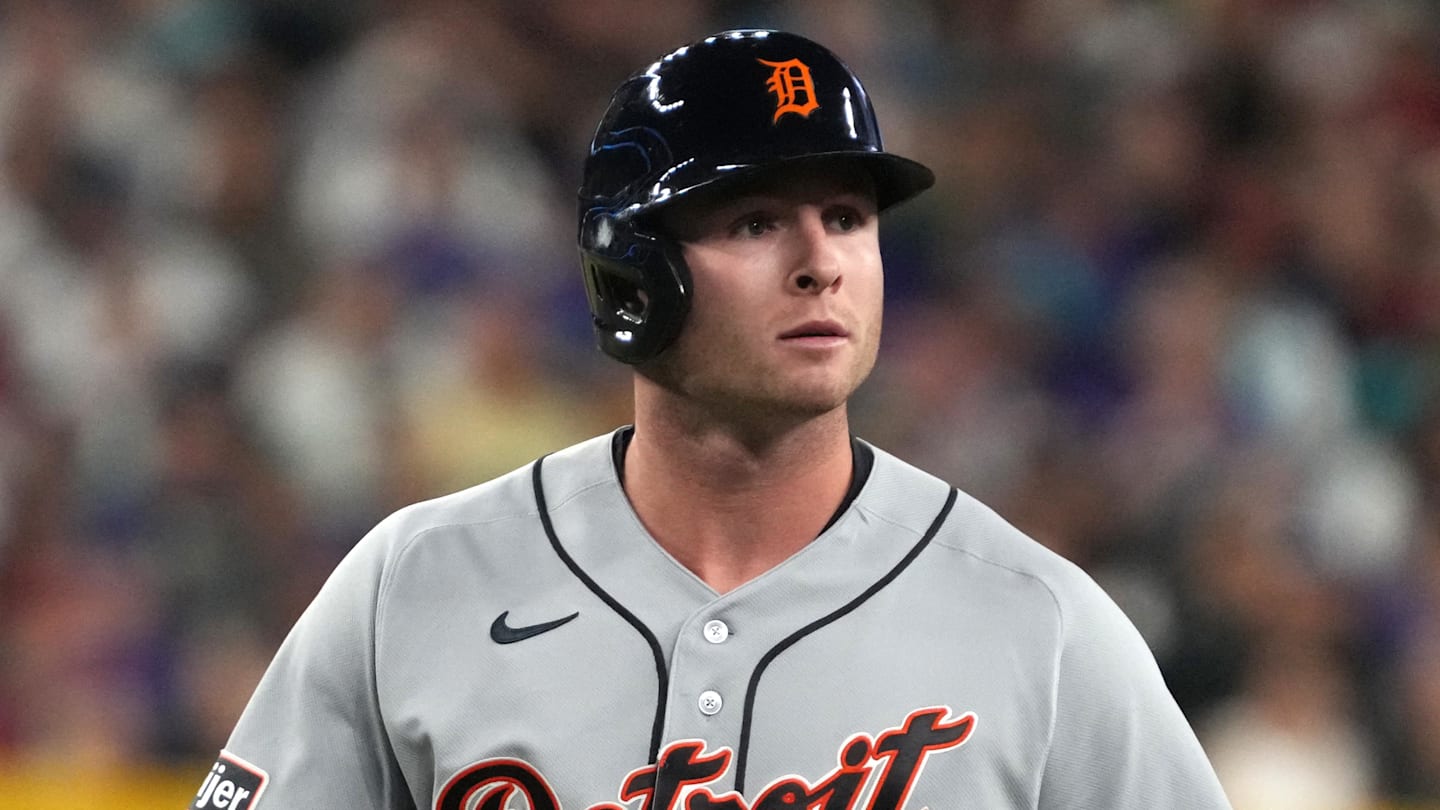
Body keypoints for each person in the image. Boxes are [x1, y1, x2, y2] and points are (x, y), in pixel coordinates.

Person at [191, 29, 1233, 810]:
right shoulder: (415, 581)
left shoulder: (1038, 621)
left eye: (847, 217)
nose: (820, 262)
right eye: (755, 221)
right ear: (630, 274)